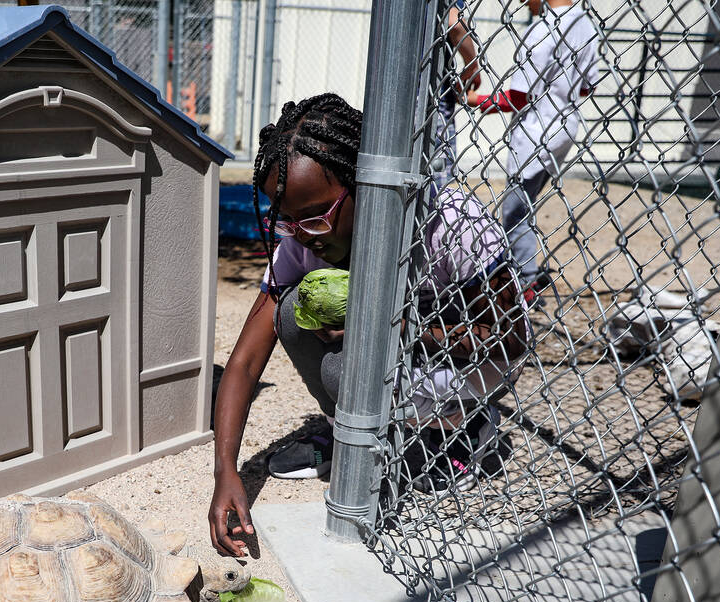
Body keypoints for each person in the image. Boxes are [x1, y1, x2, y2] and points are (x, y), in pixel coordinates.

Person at [208, 93, 529, 558]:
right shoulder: (302, 240)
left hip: (464, 363)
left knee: (345, 369)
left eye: (315, 217)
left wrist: (394, 328)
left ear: (366, 184)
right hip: (397, 362)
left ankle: (460, 430)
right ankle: (353, 437)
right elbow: (245, 360)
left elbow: (510, 338)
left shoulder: (452, 225)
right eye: (289, 222)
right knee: (291, 309)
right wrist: (226, 471)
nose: (303, 235)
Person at [466, 0, 599, 293]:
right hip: (565, 127)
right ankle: (515, 272)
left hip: (536, 133)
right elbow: (588, 86)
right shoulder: (586, 25)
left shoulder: (543, 27)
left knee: (515, 214)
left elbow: (517, 97)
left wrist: (476, 100)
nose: (524, 2)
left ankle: (524, 285)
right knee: (523, 208)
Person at [433, 1, 483, 189]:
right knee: (437, 179)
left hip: (393, 92)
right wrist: (472, 67)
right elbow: (454, 22)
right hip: (432, 94)